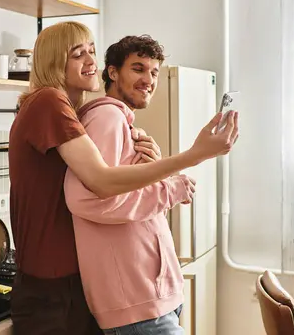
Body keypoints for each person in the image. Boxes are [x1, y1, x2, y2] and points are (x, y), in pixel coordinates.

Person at [8, 22, 238, 335]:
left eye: (91, 51)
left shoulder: (76, 112)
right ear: (53, 61)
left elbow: (109, 178)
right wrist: (191, 157)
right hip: (53, 287)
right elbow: (99, 183)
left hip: (69, 282)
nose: (91, 61)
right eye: (78, 54)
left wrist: (155, 165)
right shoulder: (51, 101)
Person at [64, 35, 220, 334]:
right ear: (112, 72)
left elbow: (125, 194)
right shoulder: (106, 117)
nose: (148, 79)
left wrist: (156, 172)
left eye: (154, 72)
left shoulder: (124, 123)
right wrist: (170, 189)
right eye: (138, 69)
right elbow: (91, 200)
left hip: (156, 297)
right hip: (136, 304)